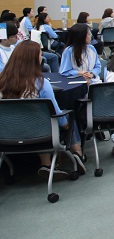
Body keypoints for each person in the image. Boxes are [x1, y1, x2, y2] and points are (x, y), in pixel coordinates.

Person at [0, 41, 86, 177]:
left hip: (7, 134)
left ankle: (46, 164)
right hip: (39, 133)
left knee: (35, 116)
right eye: (40, 54)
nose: (42, 57)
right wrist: (65, 125)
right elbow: (55, 112)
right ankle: (77, 154)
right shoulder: (41, 83)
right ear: (34, 59)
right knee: (66, 116)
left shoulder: (2, 81)